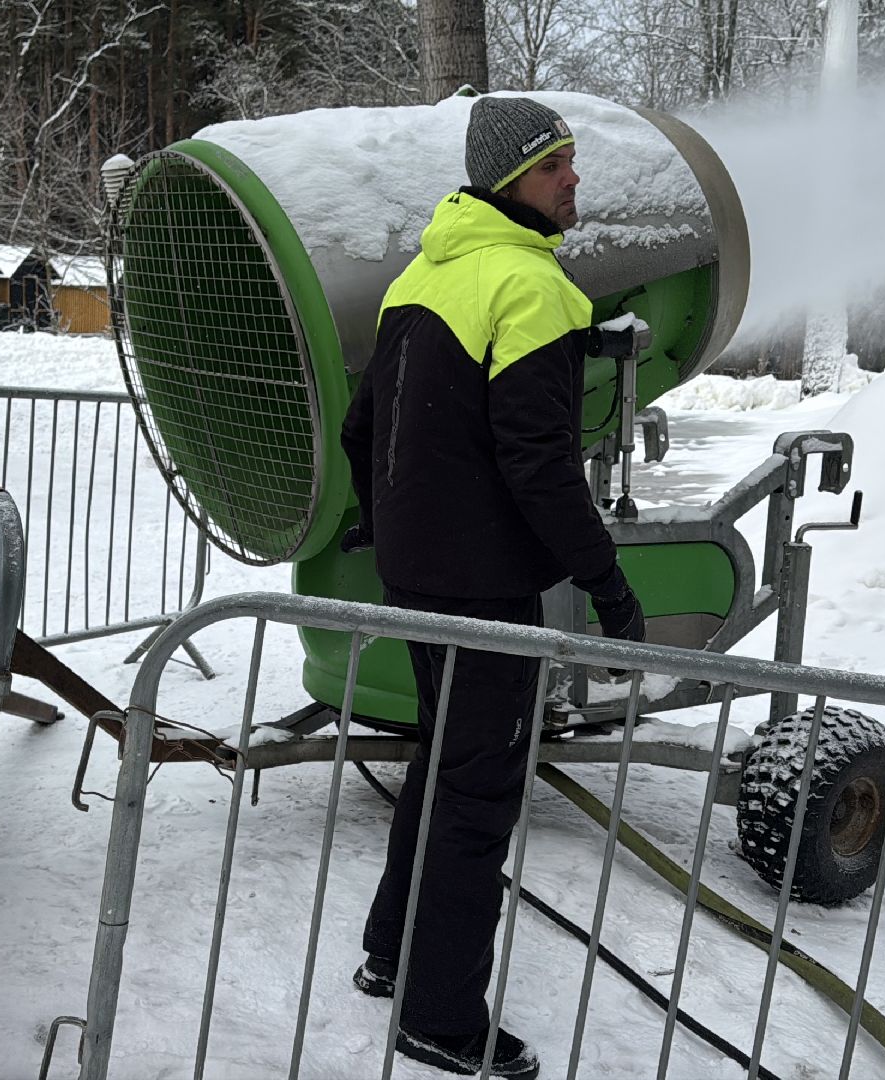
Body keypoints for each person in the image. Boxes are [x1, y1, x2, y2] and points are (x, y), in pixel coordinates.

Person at [338, 94, 647, 1080]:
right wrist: (607, 584)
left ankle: (393, 950)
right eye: (558, 164)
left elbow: (361, 432)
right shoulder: (532, 291)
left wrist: (389, 526)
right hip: (484, 591)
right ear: (513, 176)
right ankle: (439, 1018)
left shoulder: (418, 280)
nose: (573, 181)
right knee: (478, 790)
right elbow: (539, 465)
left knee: (442, 761)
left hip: (419, 573)